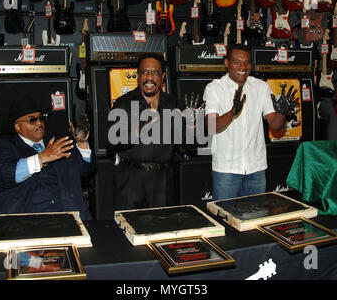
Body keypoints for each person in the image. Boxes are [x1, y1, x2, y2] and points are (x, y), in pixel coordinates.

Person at [0, 94, 96, 226]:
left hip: (68, 219)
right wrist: (42, 157)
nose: (39, 123)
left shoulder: (57, 142)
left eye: (41, 118)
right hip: (24, 222)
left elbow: (86, 171)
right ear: (17, 127)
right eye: (32, 120)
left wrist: (82, 144)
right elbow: (5, 174)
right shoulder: (4, 146)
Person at [203, 44, 298, 200]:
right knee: (225, 218)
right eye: (237, 62)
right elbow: (211, 127)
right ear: (226, 63)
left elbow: (275, 125)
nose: (242, 66)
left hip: (257, 169)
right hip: (227, 170)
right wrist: (233, 112)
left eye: (246, 62)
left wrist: (282, 112)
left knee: (255, 219)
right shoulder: (214, 88)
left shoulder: (261, 87)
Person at [108, 53, 181, 210]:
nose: (149, 77)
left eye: (155, 72)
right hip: (131, 180)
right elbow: (111, 145)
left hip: (163, 181)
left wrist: (194, 127)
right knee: (128, 230)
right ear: (138, 76)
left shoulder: (173, 104)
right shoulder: (124, 103)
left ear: (162, 76)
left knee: (162, 231)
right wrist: (136, 130)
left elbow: (186, 143)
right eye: (144, 72)